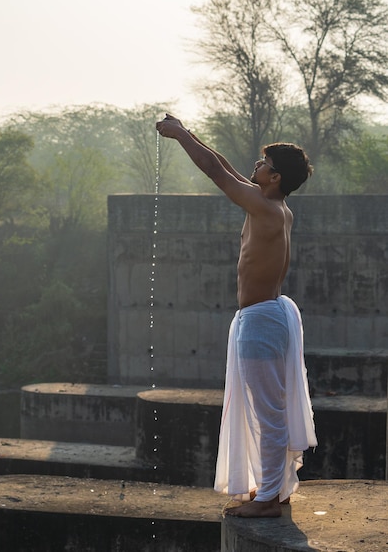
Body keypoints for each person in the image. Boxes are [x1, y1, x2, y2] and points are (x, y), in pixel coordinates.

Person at [156, 113, 317, 518]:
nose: (255, 167)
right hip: (267, 316)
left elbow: (213, 170)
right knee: (267, 409)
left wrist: (177, 136)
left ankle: (267, 500)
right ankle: (273, 491)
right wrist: (187, 130)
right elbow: (223, 165)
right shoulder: (274, 206)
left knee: (267, 412)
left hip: (261, 321)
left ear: (275, 177)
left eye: (263, 164)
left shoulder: (264, 209)